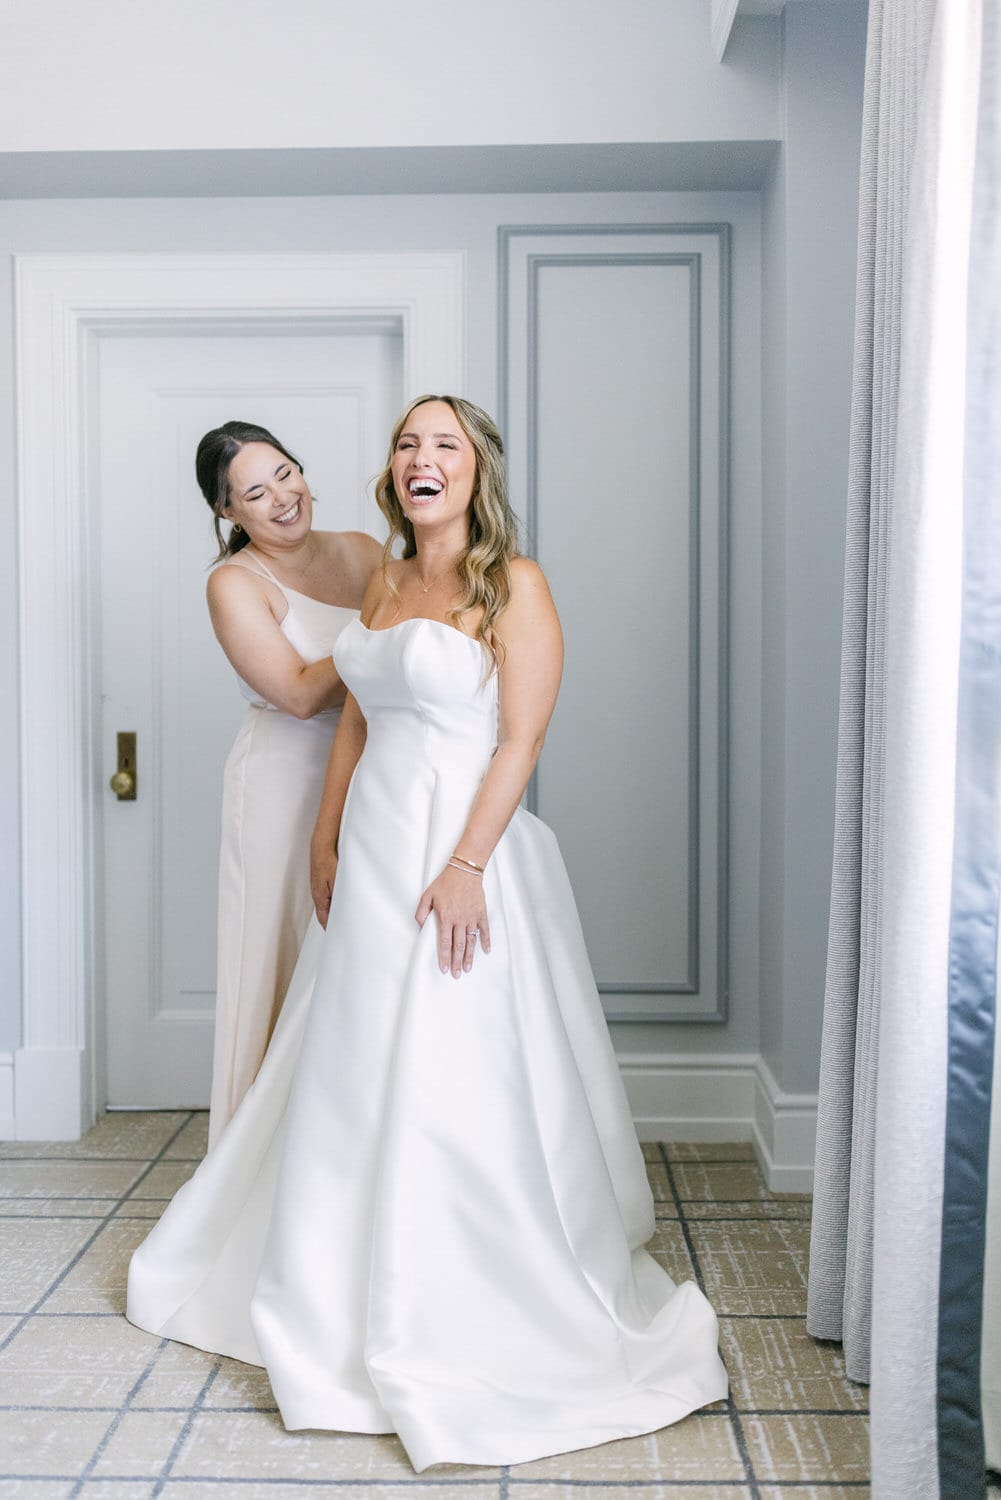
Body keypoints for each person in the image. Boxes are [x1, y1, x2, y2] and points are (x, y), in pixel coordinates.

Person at [128, 396, 728, 1471]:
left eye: (444, 444)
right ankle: (330, 1263)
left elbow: (521, 738)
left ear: (476, 471)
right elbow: (355, 706)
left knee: (459, 1061)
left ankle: (460, 1271)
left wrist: (464, 867)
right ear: (391, 471)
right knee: (349, 1056)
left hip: (463, 847)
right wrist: (324, 833)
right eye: (407, 442)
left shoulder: (517, 584)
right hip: (371, 846)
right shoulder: (385, 576)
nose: (422, 457)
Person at [196, 420, 380, 1144]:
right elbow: (301, 694)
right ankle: (254, 1155)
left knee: (356, 958)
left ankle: (344, 1146)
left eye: (285, 473)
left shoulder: (363, 550)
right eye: (253, 492)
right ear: (227, 512)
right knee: (278, 954)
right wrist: (384, 637)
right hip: (282, 780)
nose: (280, 498)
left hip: (373, 769)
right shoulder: (233, 583)